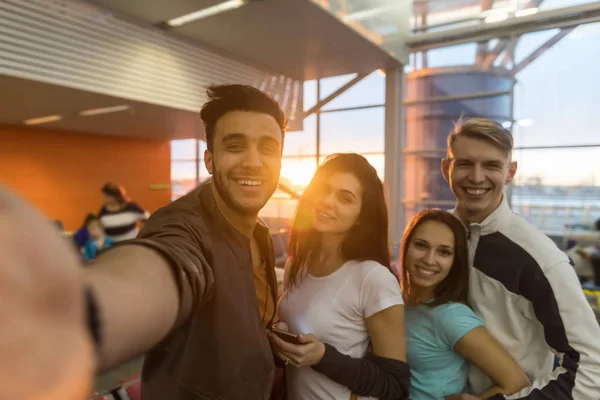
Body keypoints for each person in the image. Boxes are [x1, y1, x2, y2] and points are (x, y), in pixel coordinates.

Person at [0, 84, 287, 400]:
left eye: (268, 148)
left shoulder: (260, 232)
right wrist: (75, 318)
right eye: (235, 146)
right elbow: (168, 264)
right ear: (209, 160)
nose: (254, 162)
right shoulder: (184, 225)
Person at [440, 118, 600, 400]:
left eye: (491, 165)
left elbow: (591, 366)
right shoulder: (435, 239)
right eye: (464, 163)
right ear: (446, 169)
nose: (477, 177)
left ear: (510, 172)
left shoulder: (540, 257)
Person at [269, 153, 410, 400]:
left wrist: (323, 357)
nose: (327, 201)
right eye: (324, 189)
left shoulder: (373, 278)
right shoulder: (298, 264)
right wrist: (282, 345)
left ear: (361, 217)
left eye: (345, 198)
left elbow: (395, 385)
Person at [400, 209, 529, 399]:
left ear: (455, 260)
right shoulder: (395, 301)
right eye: (421, 246)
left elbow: (517, 383)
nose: (429, 260)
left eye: (443, 252)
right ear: (406, 247)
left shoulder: (450, 316)